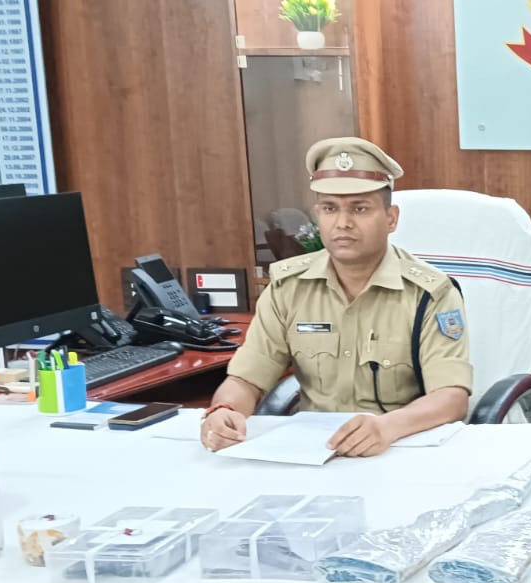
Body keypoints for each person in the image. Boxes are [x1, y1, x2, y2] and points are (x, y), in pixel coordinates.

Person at [200, 137, 473, 458]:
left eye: (360, 208)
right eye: (330, 208)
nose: (342, 223)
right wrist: (224, 410)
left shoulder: (430, 293)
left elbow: (451, 397)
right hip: (312, 452)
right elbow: (246, 380)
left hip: (399, 448)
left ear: (391, 218)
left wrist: (387, 427)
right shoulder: (288, 288)